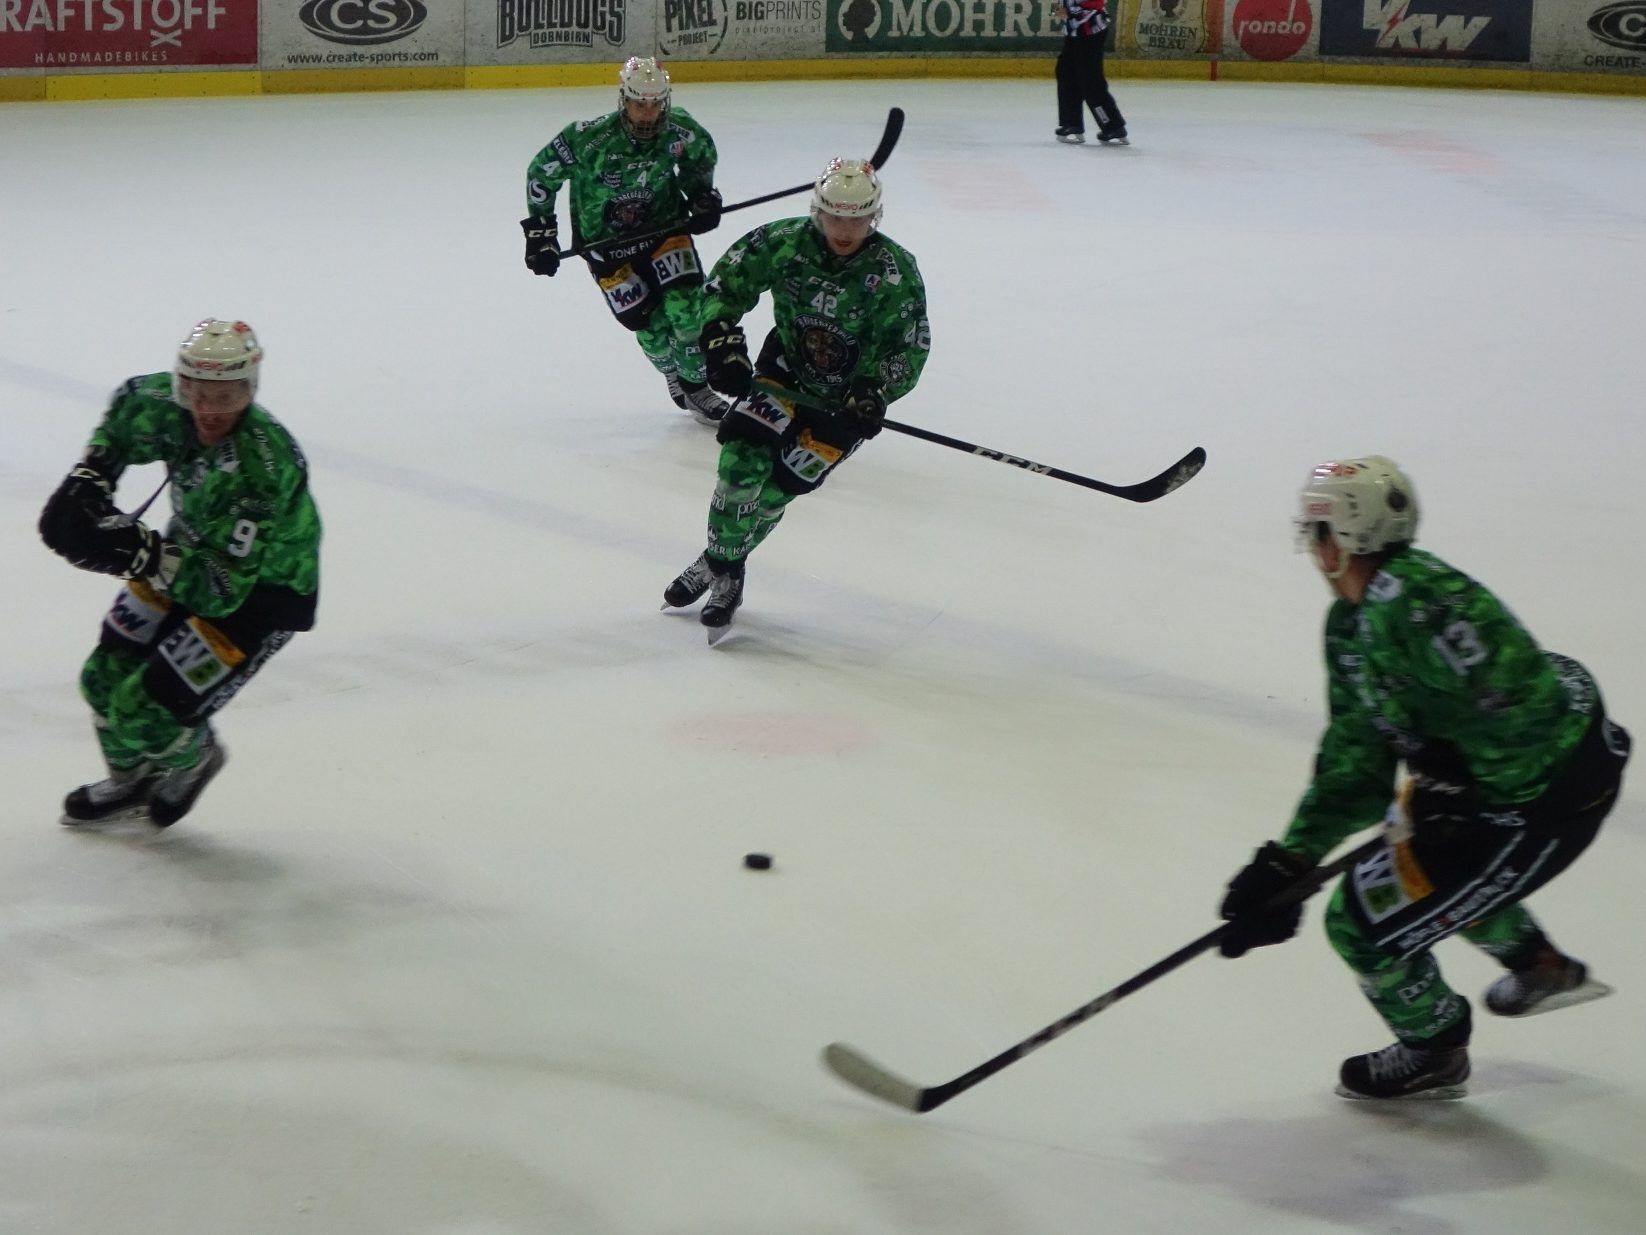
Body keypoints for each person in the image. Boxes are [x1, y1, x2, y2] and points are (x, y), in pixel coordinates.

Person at [1218, 457, 1630, 1100]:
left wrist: (1466, 796)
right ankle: (1538, 964)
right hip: (1496, 790)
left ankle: (1435, 1049)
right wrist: (1288, 861)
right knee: (1422, 871)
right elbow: (1359, 754)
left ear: (1347, 538)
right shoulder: (1354, 623)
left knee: (1361, 926)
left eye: (1319, 531)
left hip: (1547, 794)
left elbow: (1524, 707)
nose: (1313, 547)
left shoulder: (1420, 607)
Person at [37, 319, 322, 828]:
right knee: (101, 680)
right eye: (197, 393)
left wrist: (142, 553)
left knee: (149, 708)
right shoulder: (166, 403)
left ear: (250, 390)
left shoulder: (262, 468)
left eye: (228, 397)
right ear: (180, 385)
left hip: (259, 596)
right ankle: (133, 780)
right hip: (184, 555)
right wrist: (94, 470)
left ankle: (195, 757)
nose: (209, 412)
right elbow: (127, 406)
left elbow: (221, 590)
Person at [660, 157, 930, 637]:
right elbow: (725, 286)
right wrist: (722, 338)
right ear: (817, 211)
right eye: (835, 217)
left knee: (775, 494)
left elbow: (909, 345)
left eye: (858, 219)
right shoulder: (783, 242)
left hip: (842, 403)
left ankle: (717, 560)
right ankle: (728, 571)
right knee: (737, 470)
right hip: (782, 377)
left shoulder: (893, 271)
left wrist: (875, 390)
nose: (845, 229)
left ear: (875, 217)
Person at [521, 56, 729, 426]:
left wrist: (700, 197)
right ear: (623, 99)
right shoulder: (587, 139)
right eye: (639, 103)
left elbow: (699, 161)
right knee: (650, 329)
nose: (648, 113)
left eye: (655, 104)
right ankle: (671, 370)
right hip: (608, 247)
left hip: (664, 232)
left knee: (687, 313)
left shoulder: (681, 131)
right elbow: (542, 172)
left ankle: (697, 388)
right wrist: (541, 234)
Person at [1053, 0, 1127, 145]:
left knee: (1090, 82)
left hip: (1090, 33)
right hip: (1074, 33)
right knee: (1066, 74)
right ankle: (1072, 124)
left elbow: (1097, 3)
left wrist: (1069, 12)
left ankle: (1113, 126)